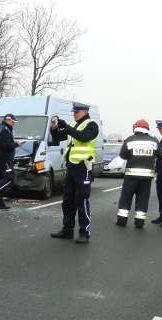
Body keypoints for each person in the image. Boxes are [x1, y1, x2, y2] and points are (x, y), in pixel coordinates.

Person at [49, 103, 100, 244]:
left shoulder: (92, 125)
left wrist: (66, 127)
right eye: (74, 112)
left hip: (83, 167)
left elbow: (84, 137)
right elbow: (58, 137)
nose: (74, 114)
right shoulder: (74, 124)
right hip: (71, 167)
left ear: (85, 111)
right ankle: (67, 230)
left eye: (77, 112)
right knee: (67, 201)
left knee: (81, 200)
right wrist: (54, 128)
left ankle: (84, 233)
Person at [115, 120, 160, 228]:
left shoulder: (130, 140)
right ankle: (139, 222)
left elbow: (123, 155)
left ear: (135, 127)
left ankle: (122, 220)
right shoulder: (154, 141)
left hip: (131, 176)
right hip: (147, 177)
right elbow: (159, 154)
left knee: (126, 198)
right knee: (143, 199)